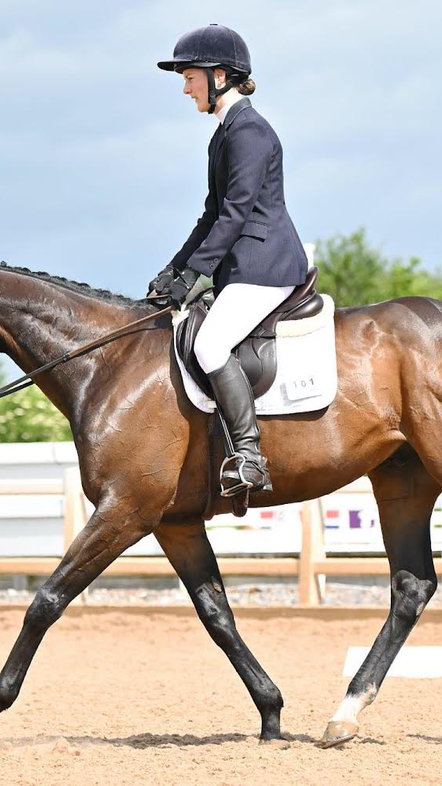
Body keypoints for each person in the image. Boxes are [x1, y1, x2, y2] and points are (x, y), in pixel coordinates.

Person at [147, 24, 309, 497]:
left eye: (190, 76)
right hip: (243, 265)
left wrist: (195, 275)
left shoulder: (249, 132)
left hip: (265, 266)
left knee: (211, 345)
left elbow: (236, 214)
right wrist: (175, 269)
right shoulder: (224, 134)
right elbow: (211, 214)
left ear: (219, 75)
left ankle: (250, 455)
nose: (185, 86)